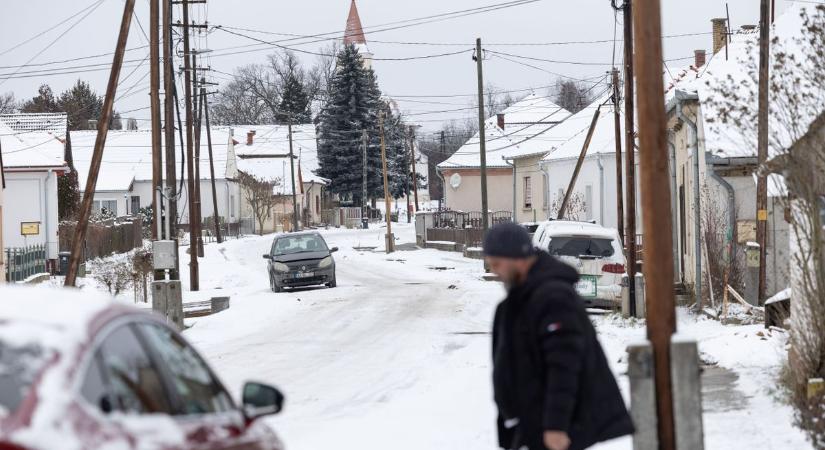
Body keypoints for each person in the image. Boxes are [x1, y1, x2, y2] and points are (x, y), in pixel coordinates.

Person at [484, 222, 634, 450]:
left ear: (517, 257)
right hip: (530, 422)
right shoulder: (523, 297)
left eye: (497, 264)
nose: (494, 271)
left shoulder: (553, 297)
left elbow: (564, 365)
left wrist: (556, 426)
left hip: (551, 427)